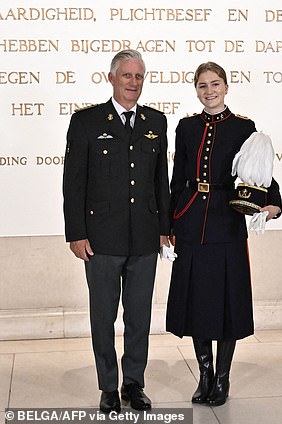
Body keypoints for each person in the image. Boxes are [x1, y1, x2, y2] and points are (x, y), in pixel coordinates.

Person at [166, 61, 282, 407]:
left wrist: (273, 202)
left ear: (227, 87)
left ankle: (222, 377)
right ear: (196, 89)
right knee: (197, 300)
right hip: (189, 221)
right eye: (202, 85)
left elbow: (258, 171)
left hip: (225, 222)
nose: (209, 91)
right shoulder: (186, 127)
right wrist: (169, 224)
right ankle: (204, 372)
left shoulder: (243, 127)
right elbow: (177, 178)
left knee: (226, 301)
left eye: (215, 84)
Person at [63, 49, 170, 413]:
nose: (133, 83)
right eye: (126, 76)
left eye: (139, 76)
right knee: (103, 315)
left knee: (139, 316)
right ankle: (108, 386)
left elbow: (161, 182)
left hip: (143, 236)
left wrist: (164, 228)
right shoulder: (87, 122)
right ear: (111, 78)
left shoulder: (156, 121)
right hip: (101, 240)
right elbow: (74, 183)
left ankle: (133, 384)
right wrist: (76, 233)